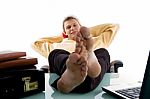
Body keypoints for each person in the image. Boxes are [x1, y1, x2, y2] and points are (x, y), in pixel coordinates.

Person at [48, 16, 110, 93]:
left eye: (75, 25)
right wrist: (60, 37)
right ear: (64, 32)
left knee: (102, 51)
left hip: (91, 77)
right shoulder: (58, 44)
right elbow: (36, 44)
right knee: (55, 53)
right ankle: (72, 72)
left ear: (80, 27)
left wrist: (87, 31)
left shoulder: (92, 40)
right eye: (68, 27)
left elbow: (113, 27)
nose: (72, 28)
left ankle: (90, 58)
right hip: (70, 74)